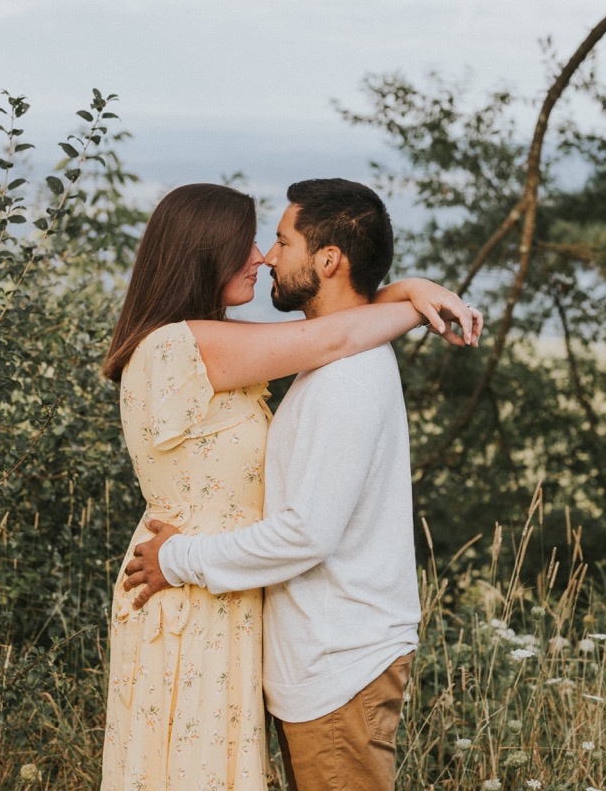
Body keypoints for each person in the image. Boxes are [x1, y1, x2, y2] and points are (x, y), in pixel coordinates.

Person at [99, 182, 478, 791]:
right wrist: (417, 294)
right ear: (202, 254)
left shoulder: (337, 374)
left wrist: (413, 292)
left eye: (277, 240)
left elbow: (337, 340)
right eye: (250, 243)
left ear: (328, 260)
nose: (265, 256)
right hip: (196, 601)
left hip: (279, 625)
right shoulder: (183, 345)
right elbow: (332, 334)